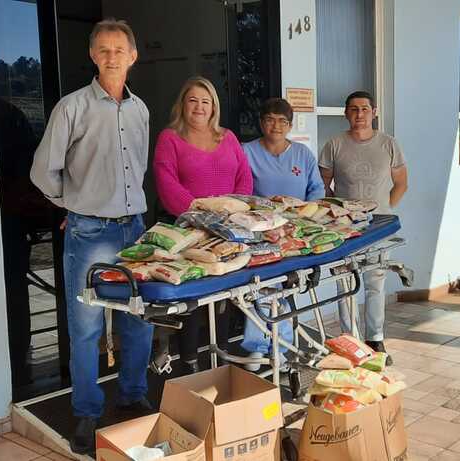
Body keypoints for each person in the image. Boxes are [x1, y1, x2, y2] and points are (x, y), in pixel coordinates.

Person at [29, 19, 153, 456]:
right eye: (103, 49)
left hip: (134, 229)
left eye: (119, 49)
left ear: (133, 56)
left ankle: (134, 395)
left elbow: (136, 167)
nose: (112, 56)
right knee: (85, 328)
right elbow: (43, 171)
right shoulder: (73, 107)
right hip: (90, 231)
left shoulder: (140, 110)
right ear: (93, 56)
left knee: (137, 319)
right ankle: (86, 412)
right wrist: (72, 205)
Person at [153, 76, 253, 374]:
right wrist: (201, 215)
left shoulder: (228, 138)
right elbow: (165, 181)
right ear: (182, 104)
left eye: (205, 101)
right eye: (192, 100)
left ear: (214, 108)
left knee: (223, 297)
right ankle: (189, 363)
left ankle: (221, 358)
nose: (199, 107)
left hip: (227, 230)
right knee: (193, 300)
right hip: (188, 232)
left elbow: (244, 178)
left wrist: (231, 214)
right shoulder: (170, 138)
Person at [318, 91, 408, 364]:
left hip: (378, 227)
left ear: (374, 112)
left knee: (375, 283)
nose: (359, 114)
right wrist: (339, 213)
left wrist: (383, 210)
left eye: (365, 109)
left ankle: (375, 338)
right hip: (344, 229)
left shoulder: (389, 144)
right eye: (354, 109)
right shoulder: (334, 144)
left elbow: (402, 183)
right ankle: (350, 339)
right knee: (344, 284)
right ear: (346, 113)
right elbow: (322, 185)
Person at [240, 98, 325, 370]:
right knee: (259, 288)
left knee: (287, 288)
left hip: (294, 233)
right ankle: (258, 347)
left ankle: (282, 347)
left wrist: (303, 214)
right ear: (261, 122)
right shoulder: (246, 152)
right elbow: (240, 191)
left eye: (282, 121)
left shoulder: (302, 154)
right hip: (259, 233)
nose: (276, 126)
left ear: (289, 125)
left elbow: (317, 191)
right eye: (270, 119)